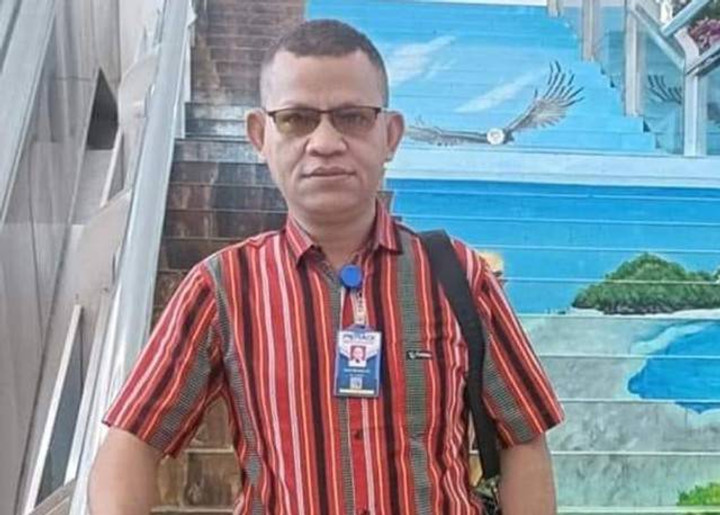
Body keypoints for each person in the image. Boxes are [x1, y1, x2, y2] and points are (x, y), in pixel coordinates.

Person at [89, 19, 564, 514]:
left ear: (390, 135)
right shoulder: (222, 287)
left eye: (352, 117)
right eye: (296, 118)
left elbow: (523, 439)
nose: (325, 142)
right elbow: (130, 445)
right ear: (259, 135)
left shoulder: (458, 275)